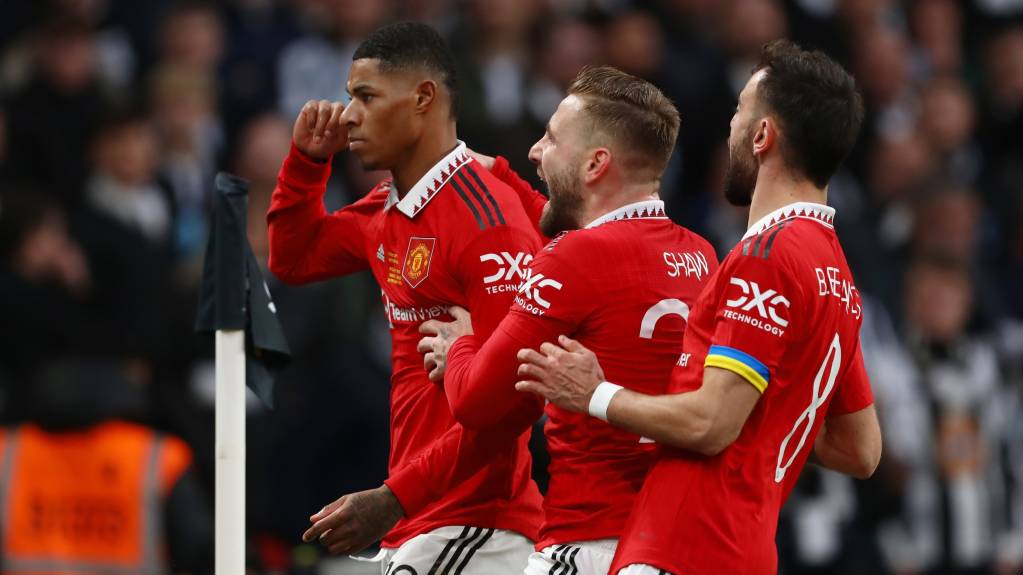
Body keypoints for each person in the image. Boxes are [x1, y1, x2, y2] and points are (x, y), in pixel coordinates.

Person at [515, 40, 883, 575]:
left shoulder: (764, 257)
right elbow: (860, 449)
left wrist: (595, 393)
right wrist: (763, 415)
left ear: (763, 136)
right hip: (750, 552)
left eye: (739, 111)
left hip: (685, 545)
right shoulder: (838, 277)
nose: (729, 126)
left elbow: (711, 424)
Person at [410, 66, 718, 575]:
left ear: (596, 164)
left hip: (589, 547)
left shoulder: (575, 259)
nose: (535, 151)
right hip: (673, 547)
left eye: (551, 139)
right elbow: (597, 253)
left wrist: (460, 346)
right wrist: (507, 178)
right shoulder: (703, 256)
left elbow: (476, 402)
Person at [266, 22, 543, 573]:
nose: (347, 116)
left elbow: (512, 405)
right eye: (349, 98)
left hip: (478, 522)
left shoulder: (490, 223)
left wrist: (394, 497)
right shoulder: (386, 210)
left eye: (365, 97)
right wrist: (306, 164)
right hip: (424, 517)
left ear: (423, 99)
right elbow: (292, 259)